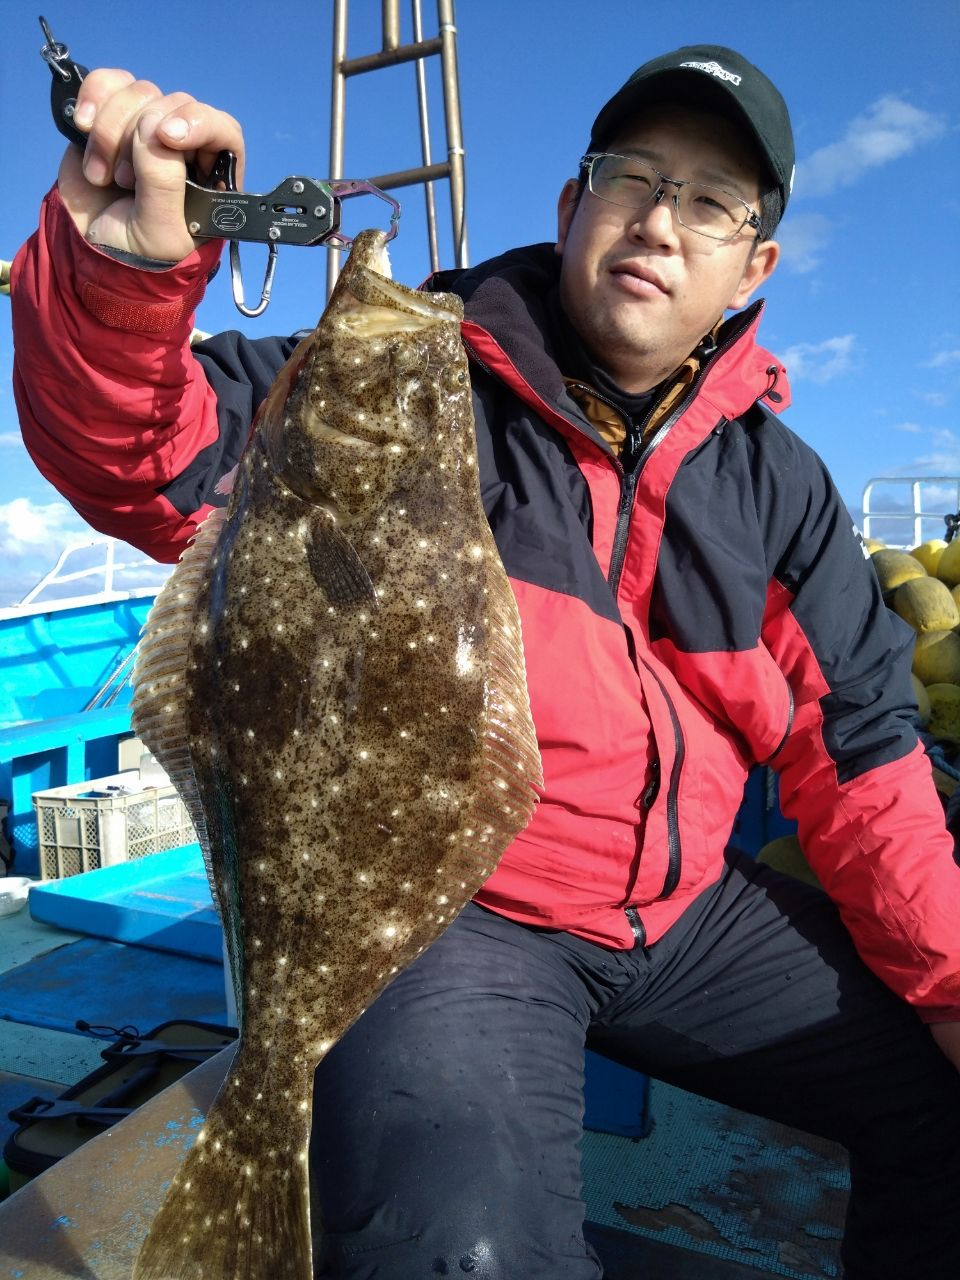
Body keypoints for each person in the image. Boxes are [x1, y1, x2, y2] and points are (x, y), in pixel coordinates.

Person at [10, 42, 960, 1280]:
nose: (662, 221)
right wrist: (121, 273)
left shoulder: (779, 486)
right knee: (461, 1253)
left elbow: (865, 754)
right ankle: (283, 1113)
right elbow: (139, 447)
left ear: (752, 267)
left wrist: (947, 989)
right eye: (633, 176)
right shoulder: (410, 375)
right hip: (463, 917)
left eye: (712, 201)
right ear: (573, 208)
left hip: (686, 915)